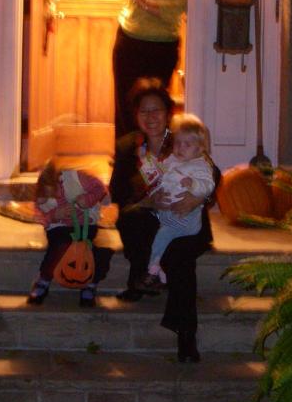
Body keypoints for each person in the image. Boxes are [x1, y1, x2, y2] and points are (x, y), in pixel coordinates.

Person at [109, 78, 220, 363]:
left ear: (168, 112)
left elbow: (213, 175)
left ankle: (186, 334)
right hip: (152, 217)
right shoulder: (129, 146)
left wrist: (196, 199)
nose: (150, 117)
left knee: (181, 258)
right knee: (132, 217)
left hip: (186, 219)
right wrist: (147, 200)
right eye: (143, 111)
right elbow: (117, 191)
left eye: (156, 110)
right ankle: (141, 275)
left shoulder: (182, 138)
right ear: (136, 116)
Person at [112, 0, 188, 138]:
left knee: (158, 99)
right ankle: (126, 150)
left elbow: (180, 7)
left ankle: (156, 149)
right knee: (125, 99)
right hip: (130, 42)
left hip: (163, 47)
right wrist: (153, 5)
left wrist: (149, 4)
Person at [136, 113, 215, 292]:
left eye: (187, 144)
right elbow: (157, 174)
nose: (180, 148)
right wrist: (146, 161)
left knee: (161, 237)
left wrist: (193, 185)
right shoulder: (172, 159)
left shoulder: (200, 165)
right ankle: (162, 272)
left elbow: (208, 185)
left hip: (185, 218)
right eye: (178, 142)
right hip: (167, 212)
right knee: (151, 231)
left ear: (200, 149)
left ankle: (153, 269)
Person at [27, 159, 111, 308]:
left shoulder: (78, 176)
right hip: (59, 227)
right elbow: (39, 215)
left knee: (95, 251)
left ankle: (90, 284)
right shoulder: (43, 188)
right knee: (60, 245)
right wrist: (53, 215)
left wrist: (87, 199)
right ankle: (44, 279)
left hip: (86, 224)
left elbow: (100, 189)